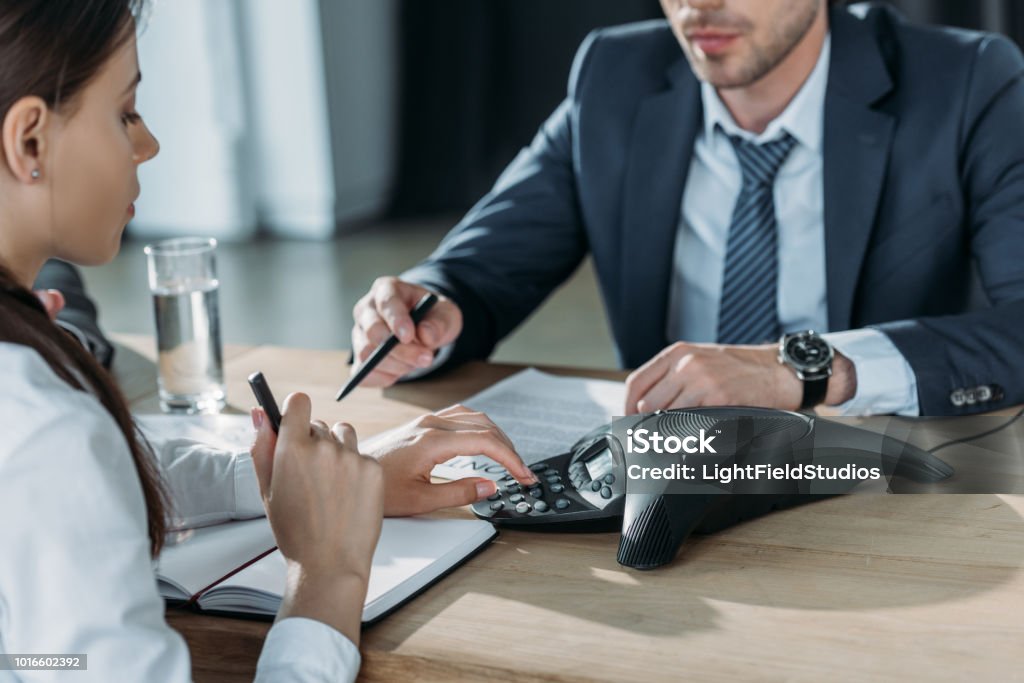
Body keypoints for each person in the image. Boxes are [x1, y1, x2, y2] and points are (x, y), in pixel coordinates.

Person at [0, 2, 537, 680]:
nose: (148, 144)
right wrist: (325, 576)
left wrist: (310, 482)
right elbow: (63, 469)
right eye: (126, 112)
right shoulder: (44, 428)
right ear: (29, 143)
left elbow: (93, 477)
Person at [350, 0, 1024, 418]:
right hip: (672, 483)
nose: (699, 4)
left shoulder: (967, 83)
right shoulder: (615, 76)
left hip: (885, 476)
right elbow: (480, 268)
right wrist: (424, 312)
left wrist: (800, 371)